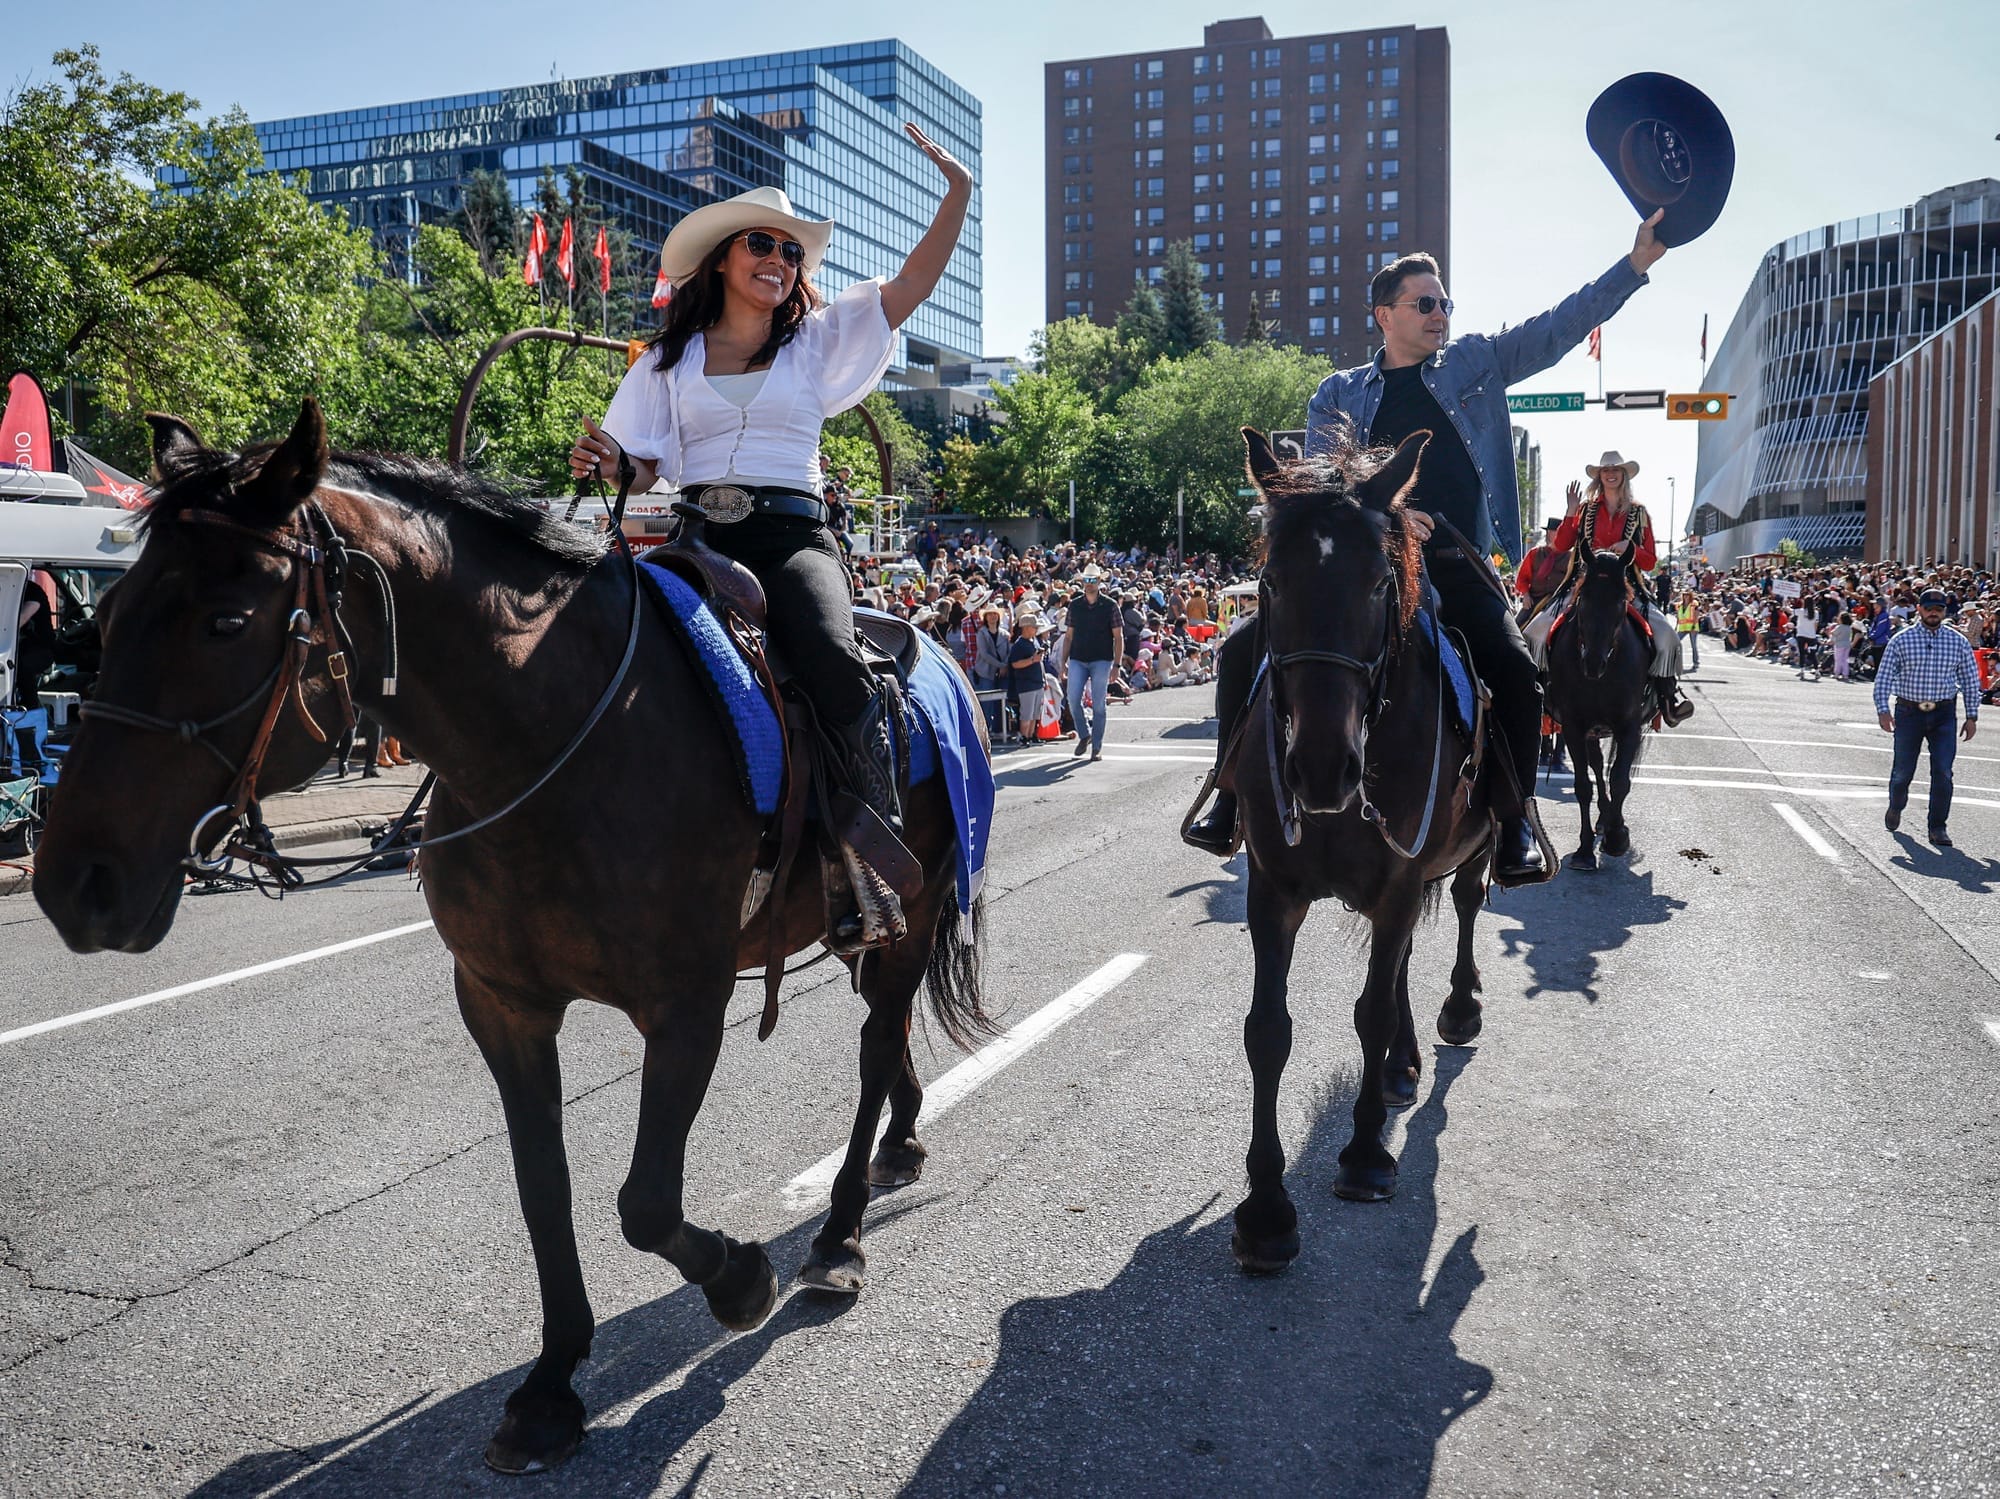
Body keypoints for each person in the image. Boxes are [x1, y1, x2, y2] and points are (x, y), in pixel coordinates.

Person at [572, 126, 972, 945]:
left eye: (791, 251)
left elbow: (910, 285)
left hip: (791, 540)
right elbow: (642, 470)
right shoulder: (664, 362)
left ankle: (867, 859)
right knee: (601, 645)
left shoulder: (817, 341)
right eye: (763, 243)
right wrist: (610, 460)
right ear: (723, 255)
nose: (779, 260)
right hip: (693, 542)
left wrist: (957, 194)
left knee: (830, 654)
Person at [1186, 211, 1671, 878]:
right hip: (1369, 563)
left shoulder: (1474, 361)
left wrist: (1634, 266)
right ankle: (1229, 796)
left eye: (1445, 302)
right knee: (1244, 647)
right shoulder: (1337, 393)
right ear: (1384, 313)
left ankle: (1514, 820)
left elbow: (1557, 328)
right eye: (1425, 303)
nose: (1440, 313)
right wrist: (1388, 516)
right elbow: (1329, 484)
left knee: (1517, 668)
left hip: (1455, 562)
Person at [1523, 457, 1690, 723]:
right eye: (1606, 470)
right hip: (1584, 587)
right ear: (1599, 476)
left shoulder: (1639, 513)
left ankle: (1668, 699)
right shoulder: (1585, 509)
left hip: (1626, 589)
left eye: (1616, 470)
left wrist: (1630, 549)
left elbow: (1650, 561)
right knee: (1534, 633)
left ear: (1624, 475)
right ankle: (1535, 695)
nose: (1611, 474)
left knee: (1667, 636)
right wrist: (1570, 510)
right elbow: (1563, 544)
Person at [1874, 587, 1980, 846]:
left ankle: (1937, 827)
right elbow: (1884, 677)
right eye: (1929, 608)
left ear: (1945, 612)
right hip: (1909, 712)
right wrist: (1883, 710)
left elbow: (1969, 679)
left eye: (1939, 609)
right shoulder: (1901, 639)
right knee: (1902, 771)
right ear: (1919, 609)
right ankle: (1896, 806)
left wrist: (1972, 715)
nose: (1934, 612)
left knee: (1943, 771)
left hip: (1944, 712)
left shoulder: (1957, 641)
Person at [1063, 564, 1123, 761]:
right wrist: (1062, 660)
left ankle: (1096, 746)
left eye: (1093, 580)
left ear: (1099, 581)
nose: (1089, 584)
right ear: (1082, 582)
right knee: (1072, 699)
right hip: (1078, 658)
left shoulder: (1110, 605)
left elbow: (1118, 636)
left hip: (1102, 659)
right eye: (1086, 580)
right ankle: (1084, 734)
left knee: (1099, 705)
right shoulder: (1075, 605)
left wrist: (1117, 665)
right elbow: (1068, 636)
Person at [1008, 610, 1049, 743]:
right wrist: (1032, 660)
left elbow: (1039, 661)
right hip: (1026, 684)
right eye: (1034, 626)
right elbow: (1015, 664)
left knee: (1035, 713)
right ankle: (1024, 736)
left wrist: (1044, 679)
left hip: (1037, 682)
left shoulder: (1034, 641)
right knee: (1027, 713)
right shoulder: (1019, 645)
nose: (1036, 629)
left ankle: (1032, 735)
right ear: (1025, 627)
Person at [1515, 516, 1567, 616]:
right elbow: (1522, 578)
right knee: (1517, 626)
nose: (1548, 534)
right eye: (1548, 532)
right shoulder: (1534, 553)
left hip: (1559, 602)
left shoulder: (1569, 556)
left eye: (1552, 532)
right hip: (1535, 601)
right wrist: (1526, 595)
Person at [1676, 588, 1701, 673]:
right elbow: (1678, 616)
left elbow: (1696, 615)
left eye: (1687, 595)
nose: (1686, 596)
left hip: (1692, 627)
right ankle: (1675, 662)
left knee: (1693, 645)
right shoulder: (1680, 604)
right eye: (1684, 595)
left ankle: (1696, 662)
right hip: (1683, 627)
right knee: (1675, 642)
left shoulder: (1694, 604)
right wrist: (1676, 626)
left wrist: (1694, 625)